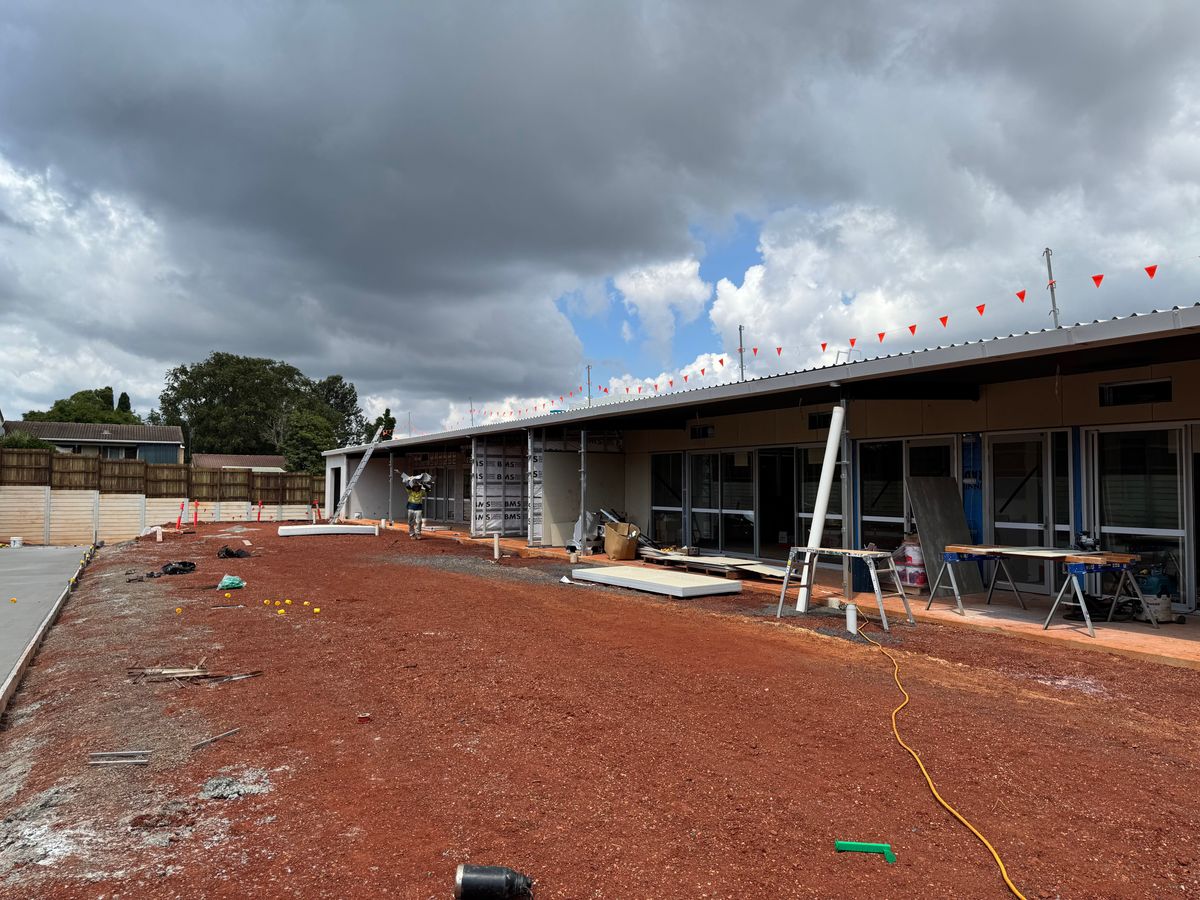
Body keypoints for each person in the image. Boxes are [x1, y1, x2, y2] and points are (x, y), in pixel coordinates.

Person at [403, 473, 431, 540]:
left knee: (419, 521)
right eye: (415, 486)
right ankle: (412, 534)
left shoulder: (421, 492)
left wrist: (424, 483)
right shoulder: (410, 491)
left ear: (419, 486)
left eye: (417, 486)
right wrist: (409, 479)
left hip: (418, 508)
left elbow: (428, 489)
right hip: (411, 507)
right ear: (413, 487)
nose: (416, 487)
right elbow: (407, 486)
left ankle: (418, 533)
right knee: (410, 522)